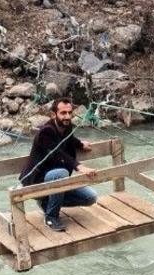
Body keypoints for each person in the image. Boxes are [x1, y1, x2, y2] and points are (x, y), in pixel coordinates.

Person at [19, 98, 97, 232]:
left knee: (90, 197)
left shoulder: (66, 126)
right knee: (61, 173)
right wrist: (79, 167)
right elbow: (58, 153)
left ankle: (47, 202)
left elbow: (69, 138)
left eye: (69, 112)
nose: (67, 116)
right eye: (63, 113)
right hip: (37, 182)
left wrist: (80, 144)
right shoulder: (46, 132)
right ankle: (51, 217)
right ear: (54, 114)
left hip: (57, 182)